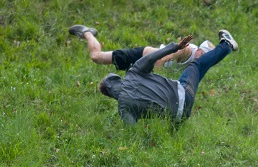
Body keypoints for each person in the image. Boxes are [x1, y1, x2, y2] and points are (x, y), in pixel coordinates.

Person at [97, 29, 238, 125]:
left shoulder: (123, 108)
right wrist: (176, 46)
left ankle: (217, 51)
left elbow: (132, 131)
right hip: (182, 95)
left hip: (179, 118)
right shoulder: (134, 72)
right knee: (196, 65)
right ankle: (226, 45)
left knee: (195, 72)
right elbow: (155, 56)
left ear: (111, 95)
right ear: (117, 79)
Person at [68, 25, 215, 71]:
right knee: (97, 57)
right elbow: (161, 60)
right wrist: (154, 82)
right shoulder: (187, 50)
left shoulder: (198, 64)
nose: (203, 59)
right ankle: (87, 33)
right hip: (143, 57)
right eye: (203, 55)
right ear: (200, 51)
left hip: (146, 66)